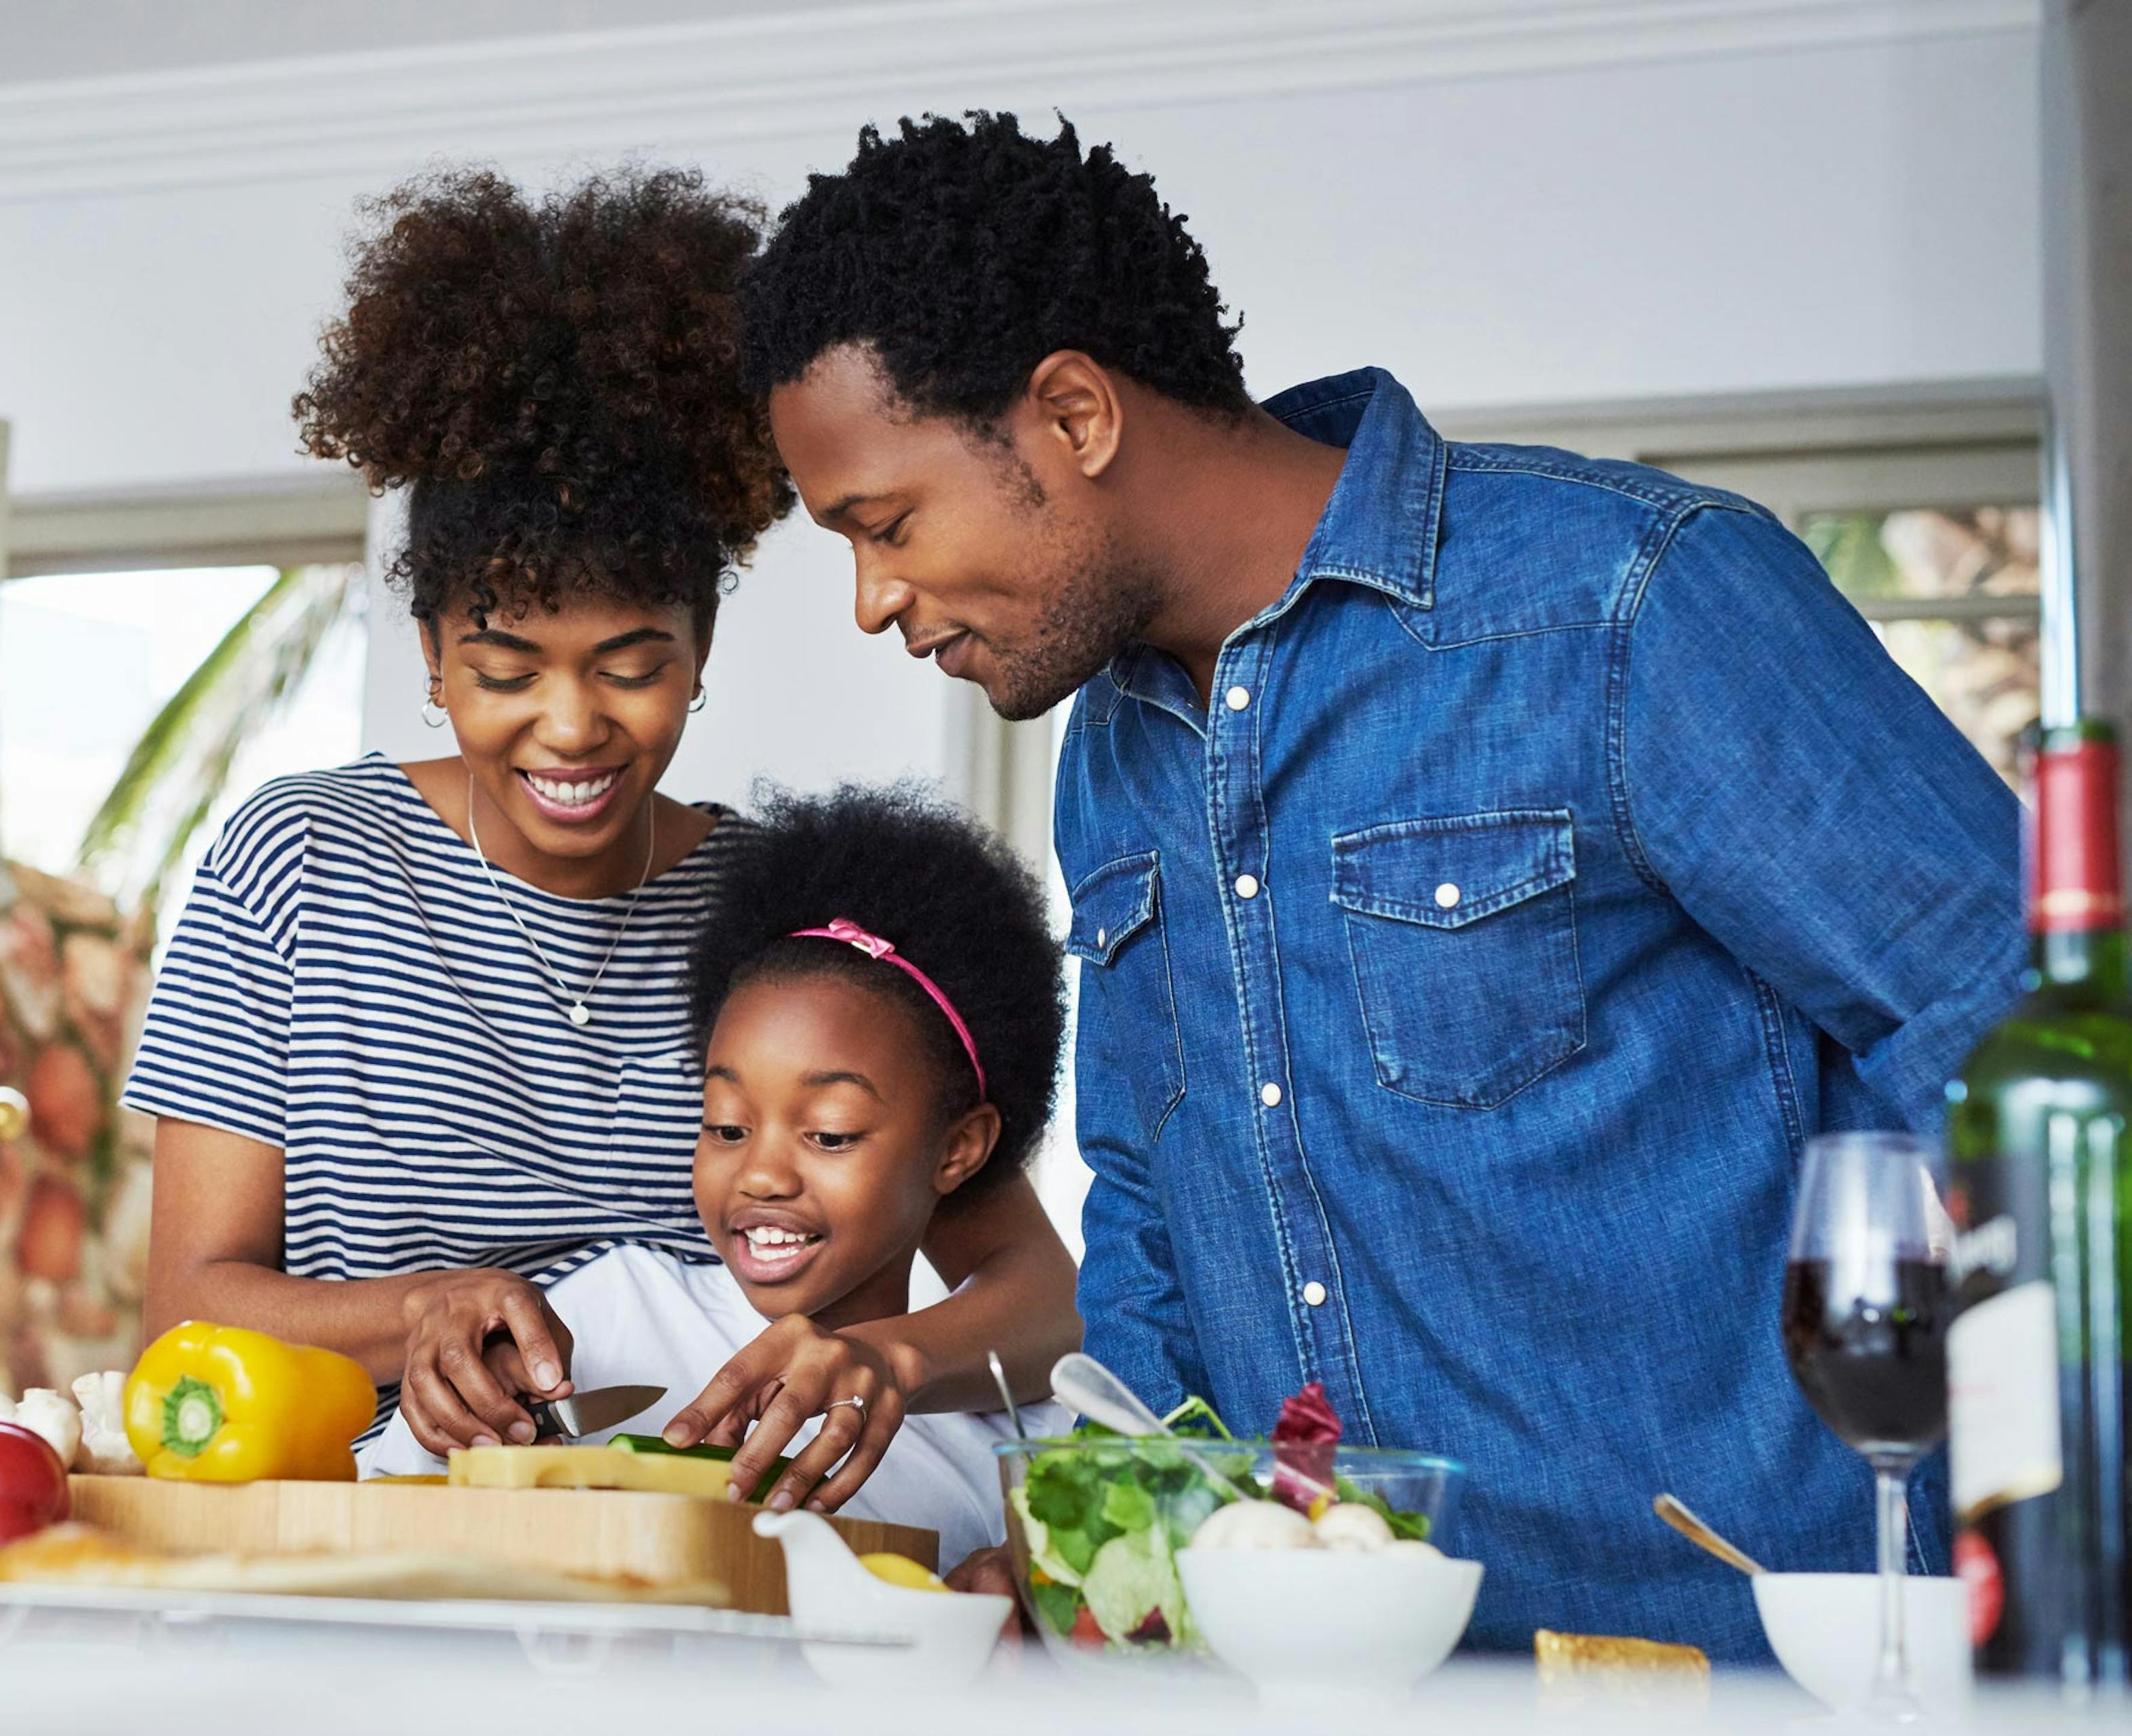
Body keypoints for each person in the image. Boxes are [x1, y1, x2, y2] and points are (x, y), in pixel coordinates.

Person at [733, 113, 2021, 1654]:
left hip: (1745, 1666)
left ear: (1071, 412)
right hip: (1332, 1672)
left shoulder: (1624, 605)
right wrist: (1117, 1560)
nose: (873, 599)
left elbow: (2011, 1043)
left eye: (883, 524)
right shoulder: (1113, 751)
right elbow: (1150, 1215)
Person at [124, 165, 1080, 1514]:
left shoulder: (781, 912)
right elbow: (188, 1312)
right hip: (371, 1517)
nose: (569, 728)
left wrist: (883, 1356)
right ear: (431, 657)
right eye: (505, 668)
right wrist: (424, 1315)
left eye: (630, 665)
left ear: (698, 655)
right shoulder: (300, 862)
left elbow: (1041, 1298)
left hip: (700, 1522)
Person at [366, 785, 1067, 1566]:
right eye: (727, 1126)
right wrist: (459, 1414)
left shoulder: (1012, 1424)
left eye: (829, 1134)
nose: (762, 1174)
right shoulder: (608, 1316)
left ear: (958, 1150)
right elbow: (392, 1519)